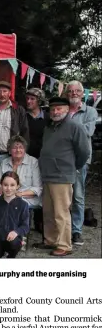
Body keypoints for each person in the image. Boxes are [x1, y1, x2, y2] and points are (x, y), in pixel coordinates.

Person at [35, 97, 90, 256]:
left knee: (61, 212)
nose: (55, 112)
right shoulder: (49, 127)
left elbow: (84, 152)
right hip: (47, 175)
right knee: (49, 211)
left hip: (62, 177)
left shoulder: (75, 126)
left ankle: (65, 245)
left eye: (59, 109)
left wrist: (73, 167)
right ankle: (51, 240)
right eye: (52, 109)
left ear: (67, 110)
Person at [65, 80, 99, 246]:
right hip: (63, 159)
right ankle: (63, 229)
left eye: (77, 91)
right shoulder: (62, 110)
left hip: (80, 160)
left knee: (78, 196)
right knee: (62, 196)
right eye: (70, 91)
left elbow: (88, 131)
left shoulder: (90, 111)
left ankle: (76, 231)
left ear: (82, 93)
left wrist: (67, 125)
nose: (74, 94)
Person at [0, 81, 29, 171]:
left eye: (5, 91)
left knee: (7, 184)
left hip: (9, 156)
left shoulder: (18, 110)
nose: (2, 94)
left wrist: (21, 154)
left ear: (10, 93)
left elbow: (24, 133)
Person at [0, 171, 30, 258]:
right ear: (1, 185)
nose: (8, 188)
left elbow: (25, 226)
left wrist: (16, 232)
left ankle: (11, 255)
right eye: (5, 185)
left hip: (13, 240)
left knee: (14, 244)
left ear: (18, 186)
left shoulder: (23, 204)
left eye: (12, 185)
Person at [0, 135, 42, 208]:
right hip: (7, 199)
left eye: (21, 147)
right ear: (10, 150)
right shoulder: (4, 163)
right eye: (14, 148)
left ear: (25, 150)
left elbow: (38, 188)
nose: (18, 150)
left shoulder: (33, 162)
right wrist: (4, 192)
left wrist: (20, 194)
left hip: (27, 201)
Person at [24, 88, 48, 159]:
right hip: (25, 157)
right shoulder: (22, 116)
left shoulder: (48, 117)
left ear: (39, 101)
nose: (28, 101)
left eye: (32, 99)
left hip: (43, 157)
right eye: (27, 98)